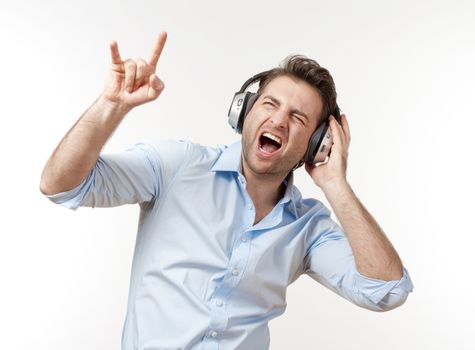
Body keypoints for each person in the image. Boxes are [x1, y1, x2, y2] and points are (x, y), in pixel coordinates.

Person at [40, 31, 413, 350]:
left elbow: (386, 291)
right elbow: (61, 185)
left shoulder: (308, 227)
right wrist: (111, 106)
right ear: (244, 111)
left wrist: (335, 183)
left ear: (315, 144)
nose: (279, 120)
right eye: (270, 103)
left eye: (298, 118)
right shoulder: (178, 166)